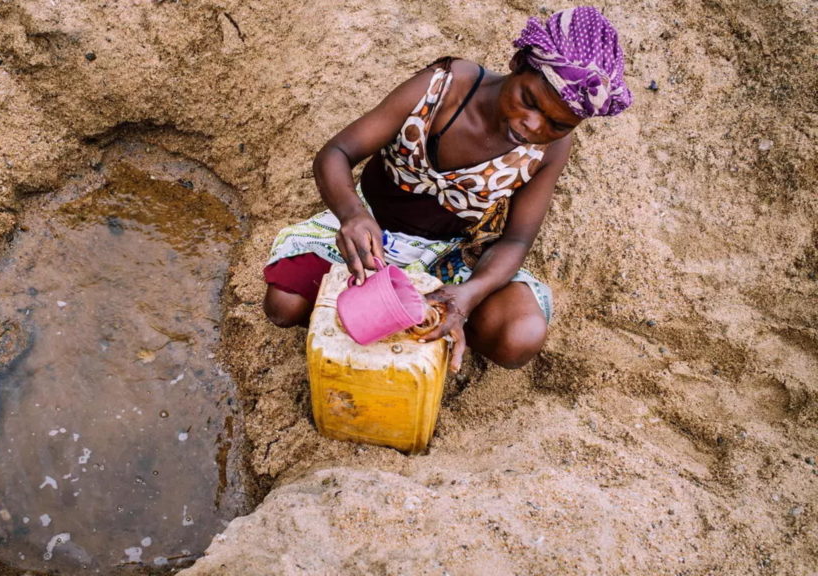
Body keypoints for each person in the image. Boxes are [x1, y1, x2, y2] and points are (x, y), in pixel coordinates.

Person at [263, 6, 632, 372]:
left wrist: (467, 297)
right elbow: (336, 153)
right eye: (529, 101)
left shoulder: (548, 149)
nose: (533, 125)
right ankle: (379, 314)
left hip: (453, 255)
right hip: (371, 234)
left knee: (519, 336)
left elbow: (516, 241)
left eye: (558, 124)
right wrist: (352, 215)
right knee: (285, 304)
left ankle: (430, 326)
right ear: (519, 64)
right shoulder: (445, 87)